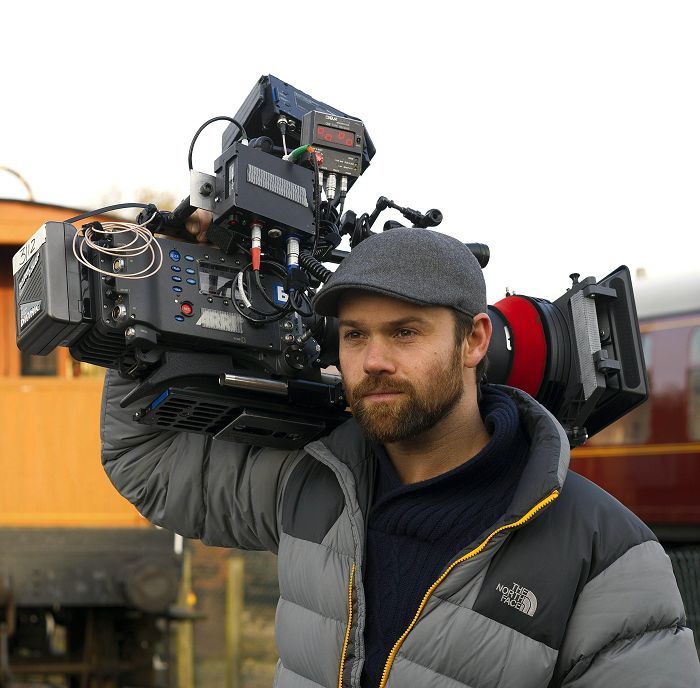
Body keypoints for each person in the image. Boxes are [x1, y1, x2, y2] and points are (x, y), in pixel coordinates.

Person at [100, 221, 700, 687]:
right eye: (354, 335)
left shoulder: (606, 552)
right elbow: (146, 464)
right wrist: (150, 303)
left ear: (474, 340)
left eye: (405, 332)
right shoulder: (315, 488)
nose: (373, 361)